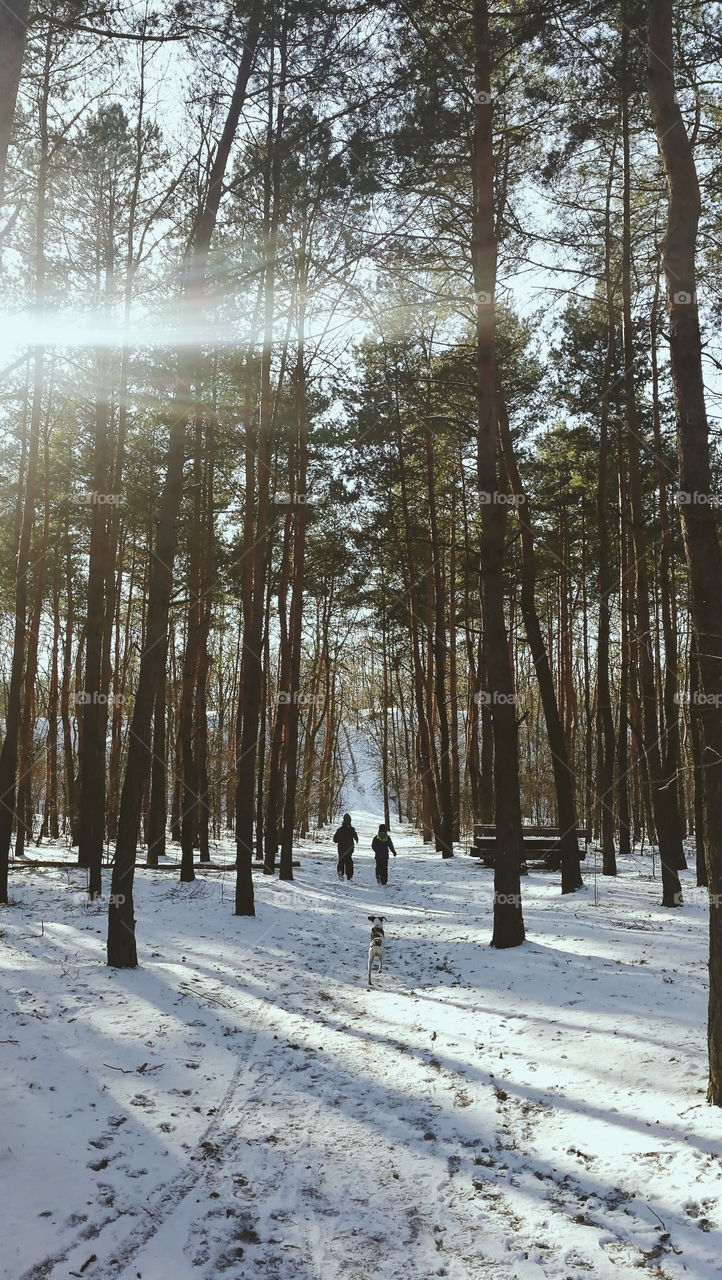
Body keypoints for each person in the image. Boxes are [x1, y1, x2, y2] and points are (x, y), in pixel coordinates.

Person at [332, 813, 358, 880]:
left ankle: (340, 872)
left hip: (341, 848)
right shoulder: (352, 829)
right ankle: (349, 875)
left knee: (341, 860)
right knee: (349, 861)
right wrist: (356, 840)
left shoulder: (340, 829)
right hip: (349, 849)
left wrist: (337, 840)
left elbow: (335, 839)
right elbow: (355, 836)